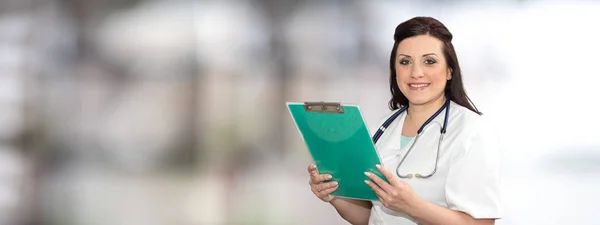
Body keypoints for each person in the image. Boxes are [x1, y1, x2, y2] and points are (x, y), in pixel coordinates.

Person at [307, 16, 503, 225]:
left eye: (429, 61)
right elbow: (371, 217)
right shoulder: (383, 126)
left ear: (449, 70)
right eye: (405, 62)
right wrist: (334, 196)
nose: (416, 72)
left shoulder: (470, 131)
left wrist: (412, 206)